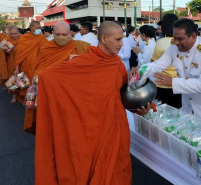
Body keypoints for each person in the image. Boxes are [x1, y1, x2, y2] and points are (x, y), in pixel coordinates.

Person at [35, 21, 150, 184]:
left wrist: (138, 108)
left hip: (114, 129)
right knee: (86, 170)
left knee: (117, 172)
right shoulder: (81, 63)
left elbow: (122, 98)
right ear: (103, 38)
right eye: (117, 40)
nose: (121, 44)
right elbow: (48, 77)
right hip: (90, 131)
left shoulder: (116, 64)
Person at [144, 19, 201, 124]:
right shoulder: (174, 47)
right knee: (188, 134)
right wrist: (140, 72)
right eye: (175, 38)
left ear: (193, 36)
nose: (176, 42)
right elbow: (158, 65)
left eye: (180, 39)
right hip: (189, 101)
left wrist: (173, 82)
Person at [23, 21, 91, 134]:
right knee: (54, 128)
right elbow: (39, 70)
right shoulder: (46, 48)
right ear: (53, 34)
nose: (61, 37)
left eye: (64, 35)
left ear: (70, 34)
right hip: (52, 94)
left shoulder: (81, 47)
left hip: (73, 94)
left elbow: (91, 68)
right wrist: (37, 77)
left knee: (72, 129)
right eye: (57, 34)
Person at [151, 14, 181, 108]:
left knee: (163, 113)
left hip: (162, 83)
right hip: (178, 83)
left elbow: (153, 62)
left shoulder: (161, 42)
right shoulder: (182, 41)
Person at [13, 21, 47, 103]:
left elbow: (46, 53)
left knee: (33, 85)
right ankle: (26, 100)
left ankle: (32, 102)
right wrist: (17, 68)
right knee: (25, 84)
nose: (39, 30)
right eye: (37, 28)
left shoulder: (42, 38)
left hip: (37, 67)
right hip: (25, 66)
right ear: (31, 28)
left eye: (40, 28)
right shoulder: (24, 38)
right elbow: (19, 55)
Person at [0, 27, 20, 102]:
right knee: (12, 78)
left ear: (18, 33)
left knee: (21, 79)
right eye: (12, 34)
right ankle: (14, 95)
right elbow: (2, 49)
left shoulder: (23, 40)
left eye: (15, 34)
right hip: (11, 62)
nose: (13, 35)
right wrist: (4, 50)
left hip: (21, 62)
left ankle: (20, 94)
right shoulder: (7, 40)